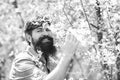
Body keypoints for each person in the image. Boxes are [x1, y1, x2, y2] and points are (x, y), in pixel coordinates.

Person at [9, 16, 79, 80]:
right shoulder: (22, 61)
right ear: (29, 37)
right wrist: (67, 55)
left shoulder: (50, 62)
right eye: (39, 30)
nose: (45, 33)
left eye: (47, 30)